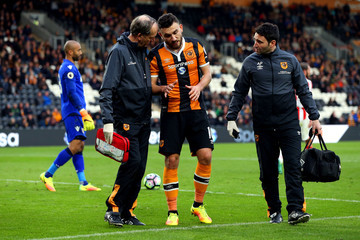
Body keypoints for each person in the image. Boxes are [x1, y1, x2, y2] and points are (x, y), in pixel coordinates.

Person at [226, 23, 323, 225]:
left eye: (258, 41)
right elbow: (239, 92)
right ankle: (274, 211)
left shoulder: (290, 61)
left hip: (288, 124)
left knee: (294, 167)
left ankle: (296, 210)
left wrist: (314, 117)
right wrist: (231, 117)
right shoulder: (250, 63)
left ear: (272, 42)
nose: (254, 44)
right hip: (263, 125)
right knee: (268, 172)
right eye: (254, 39)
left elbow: (304, 90)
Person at [149, 13, 213, 226]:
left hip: (196, 111)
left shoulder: (196, 47)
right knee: (172, 160)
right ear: (161, 35)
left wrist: (199, 87)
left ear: (181, 28)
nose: (173, 38)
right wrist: (161, 88)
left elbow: (207, 75)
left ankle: (198, 205)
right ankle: (172, 212)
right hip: (171, 114)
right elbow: (151, 86)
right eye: (167, 35)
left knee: (205, 156)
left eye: (175, 32)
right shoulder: (155, 55)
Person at [99, 14, 158, 227]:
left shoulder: (144, 51)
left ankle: (127, 211)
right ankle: (113, 207)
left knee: (140, 167)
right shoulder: (118, 52)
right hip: (125, 120)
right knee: (131, 163)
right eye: (151, 37)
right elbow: (107, 88)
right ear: (139, 35)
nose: (153, 40)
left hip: (144, 120)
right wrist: (107, 120)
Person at [40, 40, 100, 192]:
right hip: (73, 112)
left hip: (75, 112)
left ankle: (83, 183)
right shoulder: (68, 68)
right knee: (75, 145)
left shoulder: (69, 67)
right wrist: (83, 111)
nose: (81, 52)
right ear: (71, 52)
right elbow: (71, 92)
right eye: (79, 50)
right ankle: (48, 174)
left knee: (79, 146)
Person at [278, 62, 314, 174]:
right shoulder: (308, 82)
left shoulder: (290, 81)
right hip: (303, 114)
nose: (309, 71)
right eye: (308, 69)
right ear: (305, 70)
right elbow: (308, 98)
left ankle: (280, 162)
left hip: (291, 113)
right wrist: (312, 117)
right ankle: (308, 163)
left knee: (286, 140)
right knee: (307, 139)